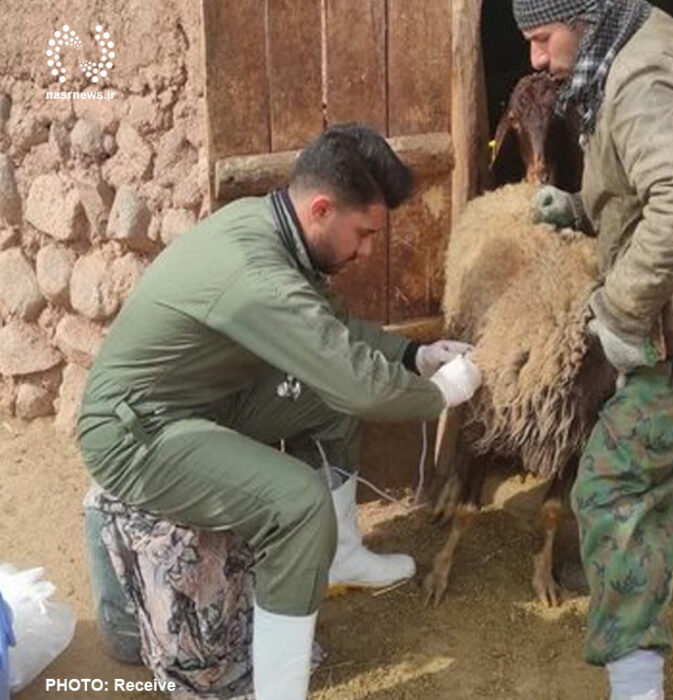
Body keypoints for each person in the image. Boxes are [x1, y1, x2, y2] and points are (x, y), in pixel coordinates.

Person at [76, 124, 482, 700]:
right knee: (296, 504)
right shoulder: (256, 273)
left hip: (204, 400)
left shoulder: (269, 226)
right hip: (138, 433)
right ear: (321, 208)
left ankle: (340, 558)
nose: (367, 250)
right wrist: (443, 392)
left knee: (326, 403)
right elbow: (359, 385)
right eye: (363, 233)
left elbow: (330, 335)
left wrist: (415, 354)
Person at [512, 1, 673, 698]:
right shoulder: (628, 49)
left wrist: (621, 309)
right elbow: (647, 182)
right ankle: (641, 665)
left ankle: (636, 682)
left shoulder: (640, 77)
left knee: (611, 483)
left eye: (542, 38)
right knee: (642, 485)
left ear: (583, 15)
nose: (536, 58)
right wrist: (578, 206)